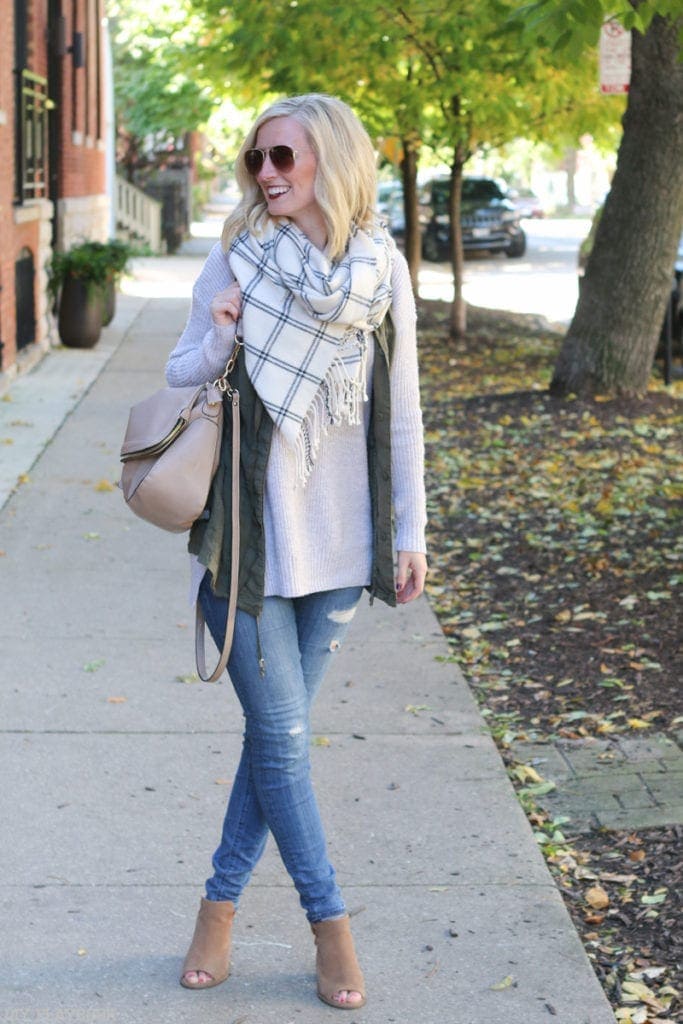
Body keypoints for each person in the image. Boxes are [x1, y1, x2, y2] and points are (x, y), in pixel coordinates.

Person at [165, 92, 428, 1010]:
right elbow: (179, 373)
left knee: (271, 746)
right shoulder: (237, 254)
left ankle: (217, 910)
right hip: (249, 546)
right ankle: (331, 927)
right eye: (257, 161)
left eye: (283, 158)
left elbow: (404, 415)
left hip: (341, 549)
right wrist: (222, 331)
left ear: (331, 163)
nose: (266, 175)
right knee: (281, 736)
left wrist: (410, 534)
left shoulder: (380, 270)